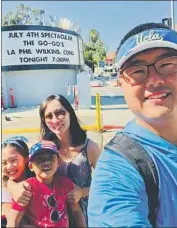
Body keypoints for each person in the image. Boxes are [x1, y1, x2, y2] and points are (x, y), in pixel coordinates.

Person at [88, 22, 177, 227]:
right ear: (121, 83)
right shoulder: (116, 171)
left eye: (167, 65)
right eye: (137, 71)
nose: (154, 80)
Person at [6, 94, 101, 226]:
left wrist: (82, 192)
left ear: (70, 114)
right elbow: (11, 173)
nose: (55, 120)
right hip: (44, 219)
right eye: (49, 116)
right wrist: (14, 187)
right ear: (43, 120)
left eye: (60, 113)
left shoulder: (90, 147)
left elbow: (107, 183)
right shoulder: (41, 147)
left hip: (83, 217)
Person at [6, 140, 86, 228]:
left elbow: (76, 212)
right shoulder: (27, 188)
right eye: (40, 159)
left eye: (51, 158)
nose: (46, 162)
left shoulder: (65, 183)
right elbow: (14, 219)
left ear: (58, 162)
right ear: (31, 166)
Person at [1, 136, 33, 227]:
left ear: (27, 158)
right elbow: (8, 212)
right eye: (4, 163)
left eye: (13, 160)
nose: (9, 167)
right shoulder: (5, 188)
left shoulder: (37, 180)